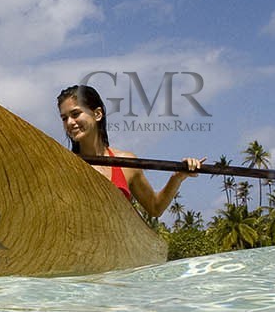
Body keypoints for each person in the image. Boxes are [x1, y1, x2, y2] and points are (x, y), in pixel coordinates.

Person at [57, 84, 201, 218]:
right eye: (64, 118)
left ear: (97, 114)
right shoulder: (63, 167)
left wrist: (177, 177)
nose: (69, 122)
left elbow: (155, 208)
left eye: (75, 114)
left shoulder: (126, 163)